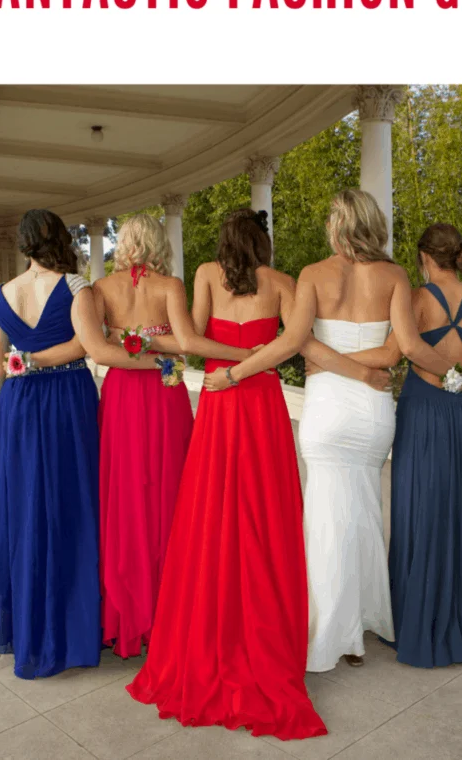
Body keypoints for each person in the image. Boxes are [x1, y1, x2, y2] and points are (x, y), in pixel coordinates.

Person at [206, 190, 458, 674]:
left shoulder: (313, 275)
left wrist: (237, 373)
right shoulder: (395, 276)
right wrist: (451, 374)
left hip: (327, 410)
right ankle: (362, 621)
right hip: (370, 412)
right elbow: (399, 351)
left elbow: (295, 344)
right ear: (372, 224)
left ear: (336, 226)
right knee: (364, 509)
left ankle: (328, 631)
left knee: (325, 516)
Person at [127, 208, 327, 741]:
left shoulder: (206, 277)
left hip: (220, 398)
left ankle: (212, 633)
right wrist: (247, 363)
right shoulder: (285, 284)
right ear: (263, 241)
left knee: (212, 515)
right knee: (262, 516)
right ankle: (262, 637)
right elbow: (292, 345)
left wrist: (146, 341)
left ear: (223, 243)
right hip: (259, 402)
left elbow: (189, 338)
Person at [0, 209, 169, 679]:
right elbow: (93, 348)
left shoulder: (1, 295)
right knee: (71, 510)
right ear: (60, 240)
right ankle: (69, 629)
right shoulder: (75, 288)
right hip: (65, 405)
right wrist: (163, 365)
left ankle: (29, 631)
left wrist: (1, 421)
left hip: (17, 409)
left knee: (24, 516)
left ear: (23, 245)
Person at [92, 213, 268, 659]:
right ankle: (168, 611)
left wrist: (129, 338)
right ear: (158, 244)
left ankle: (122, 616)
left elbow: (100, 346)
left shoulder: (103, 289)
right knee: (171, 494)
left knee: (124, 496)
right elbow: (187, 343)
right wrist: (246, 355)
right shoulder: (170, 286)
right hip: (164, 389)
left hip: (120, 394)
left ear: (124, 244)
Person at [385, 223, 462, 667]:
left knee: (418, 507)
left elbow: (396, 351)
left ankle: (416, 620)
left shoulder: (415, 297)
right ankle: (460, 622)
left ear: (426, 259)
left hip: (424, 409)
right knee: (457, 510)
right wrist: (460, 369)